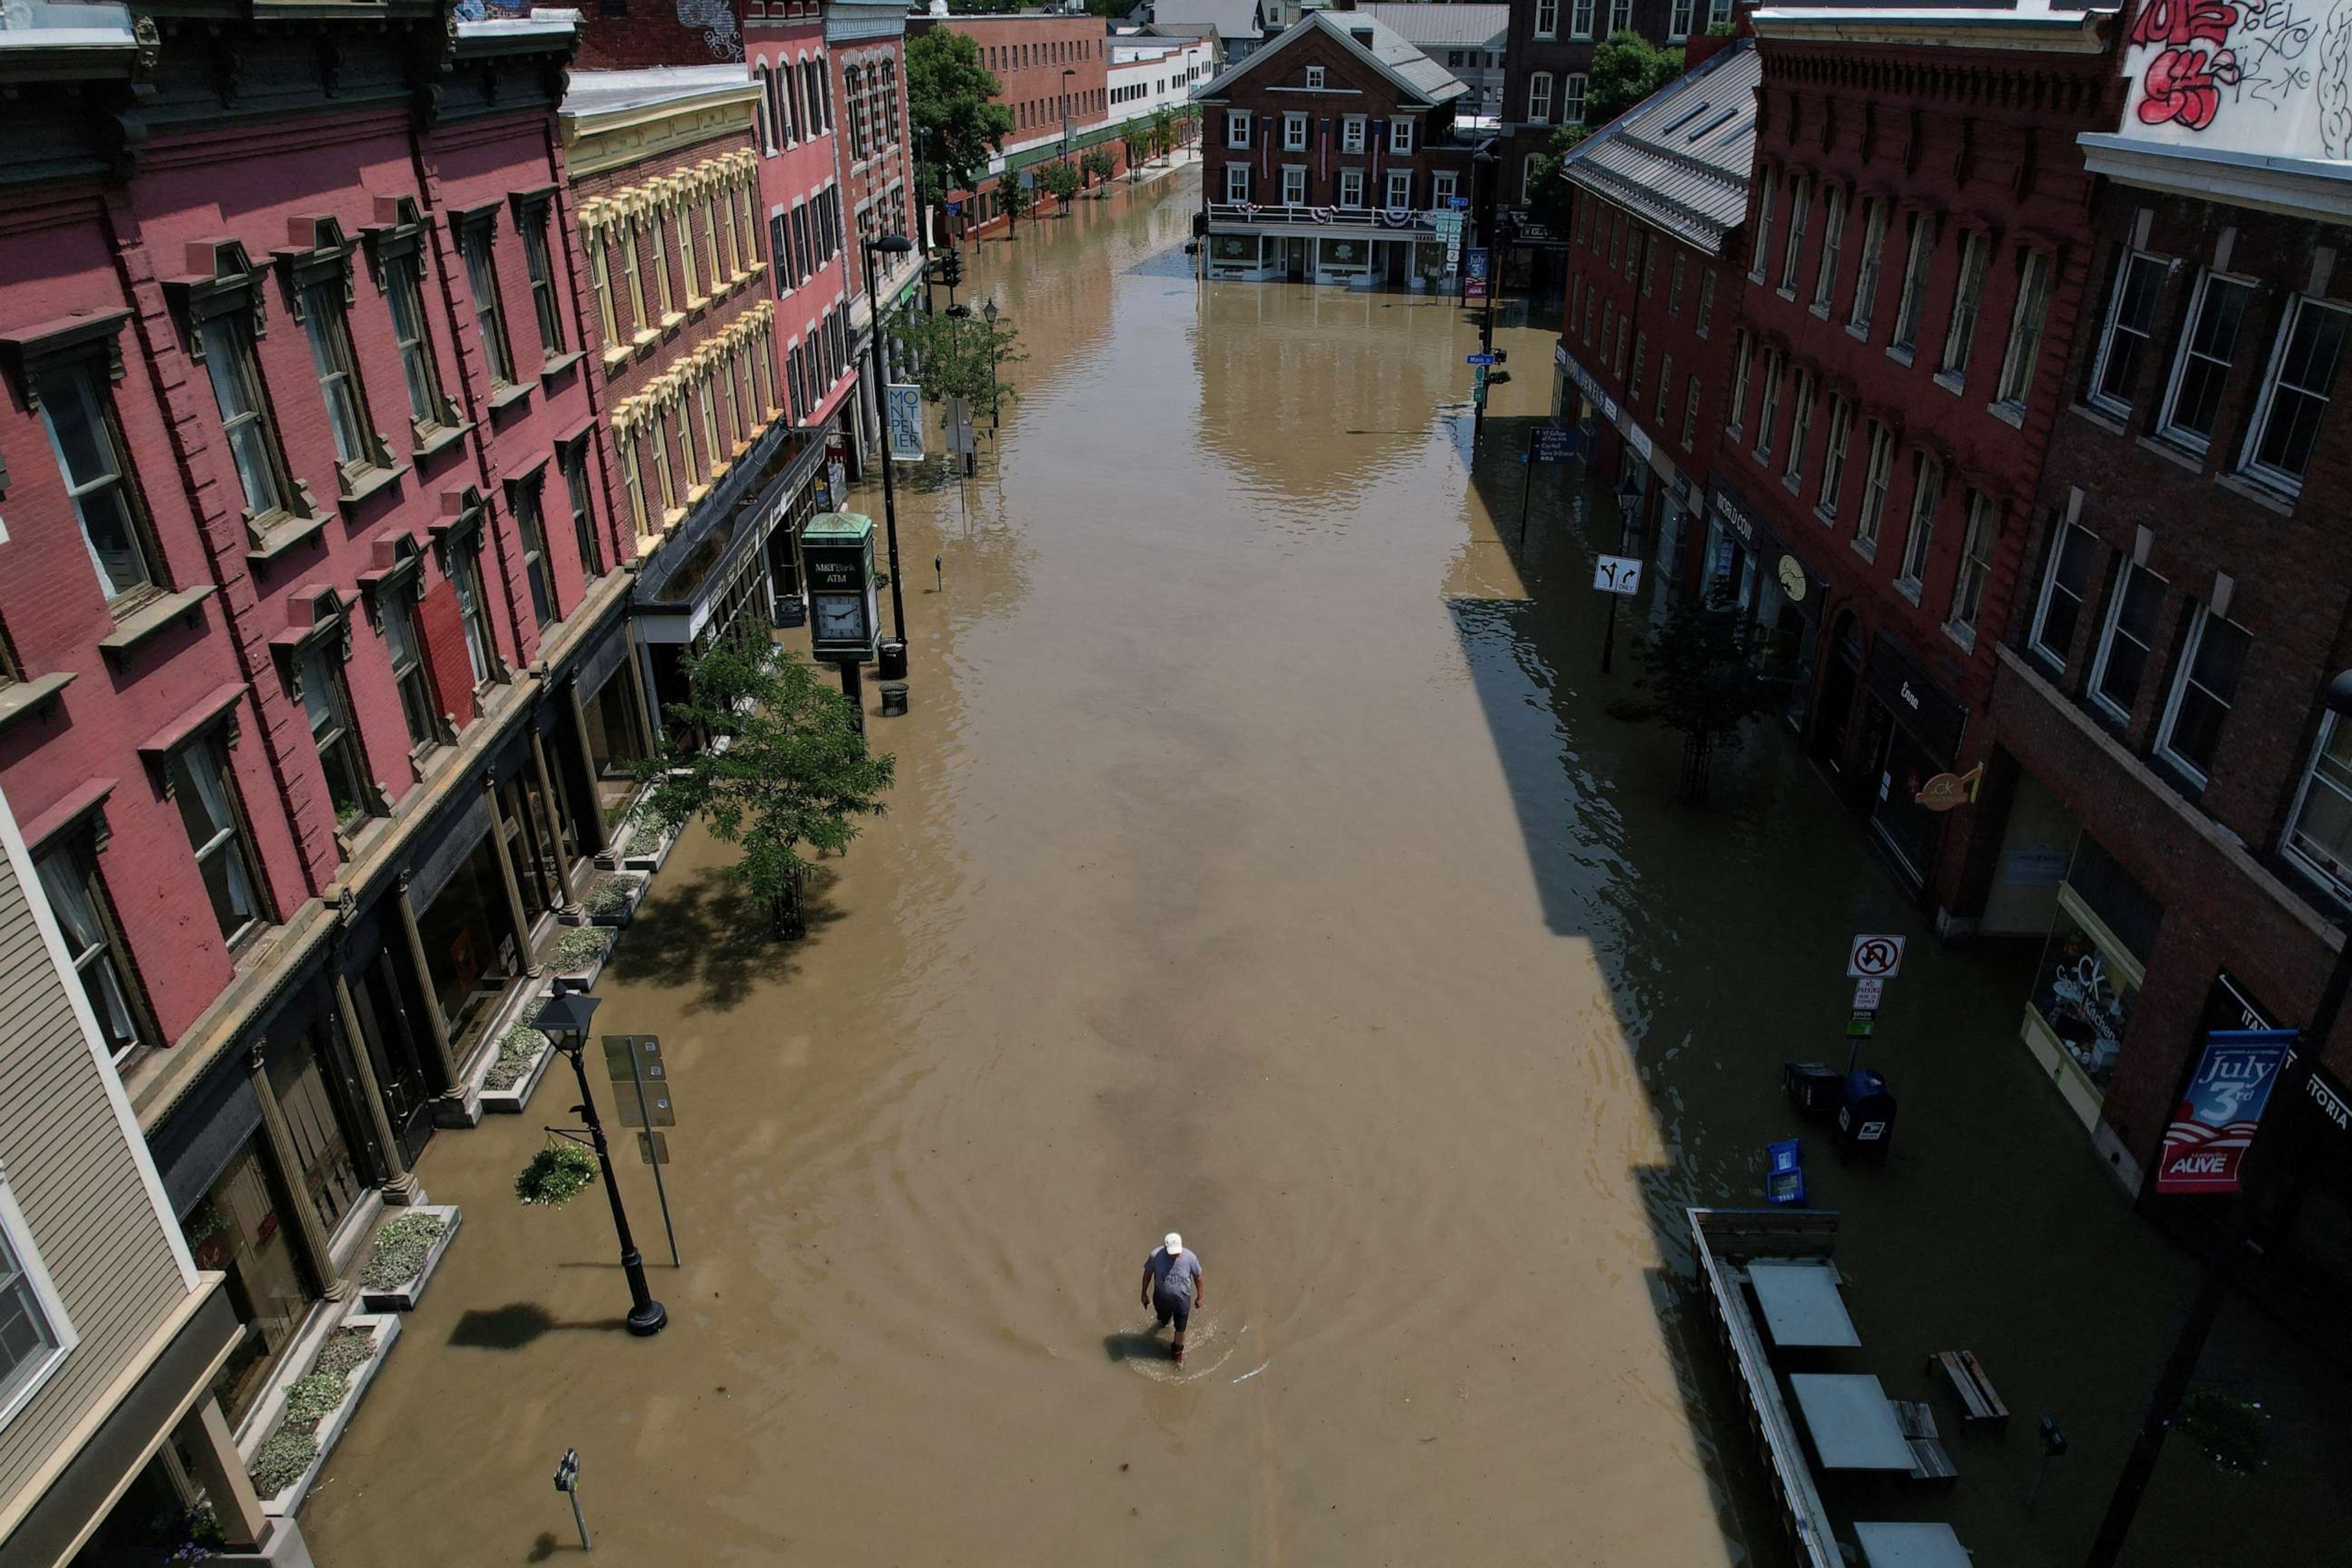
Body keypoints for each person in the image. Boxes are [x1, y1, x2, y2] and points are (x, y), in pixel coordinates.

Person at [1140, 1232, 1204, 1364]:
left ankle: (1177, 1351)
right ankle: (1164, 1322)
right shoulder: (1155, 1256)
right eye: (1171, 1252)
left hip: (1182, 1300)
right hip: (1161, 1299)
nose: (1175, 1255)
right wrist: (1144, 1294)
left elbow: (1198, 1277)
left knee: (1181, 1328)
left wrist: (1200, 1297)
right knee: (1163, 1321)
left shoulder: (1190, 1258)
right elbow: (1148, 1274)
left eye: (1177, 1252)